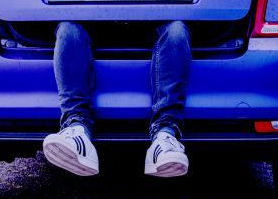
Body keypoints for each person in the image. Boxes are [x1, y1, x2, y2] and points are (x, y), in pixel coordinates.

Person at [43, 20, 192, 177]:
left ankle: (165, 138)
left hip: (155, 22)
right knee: (69, 30)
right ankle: (77, 131)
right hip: (91, 22)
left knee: (176, 31)